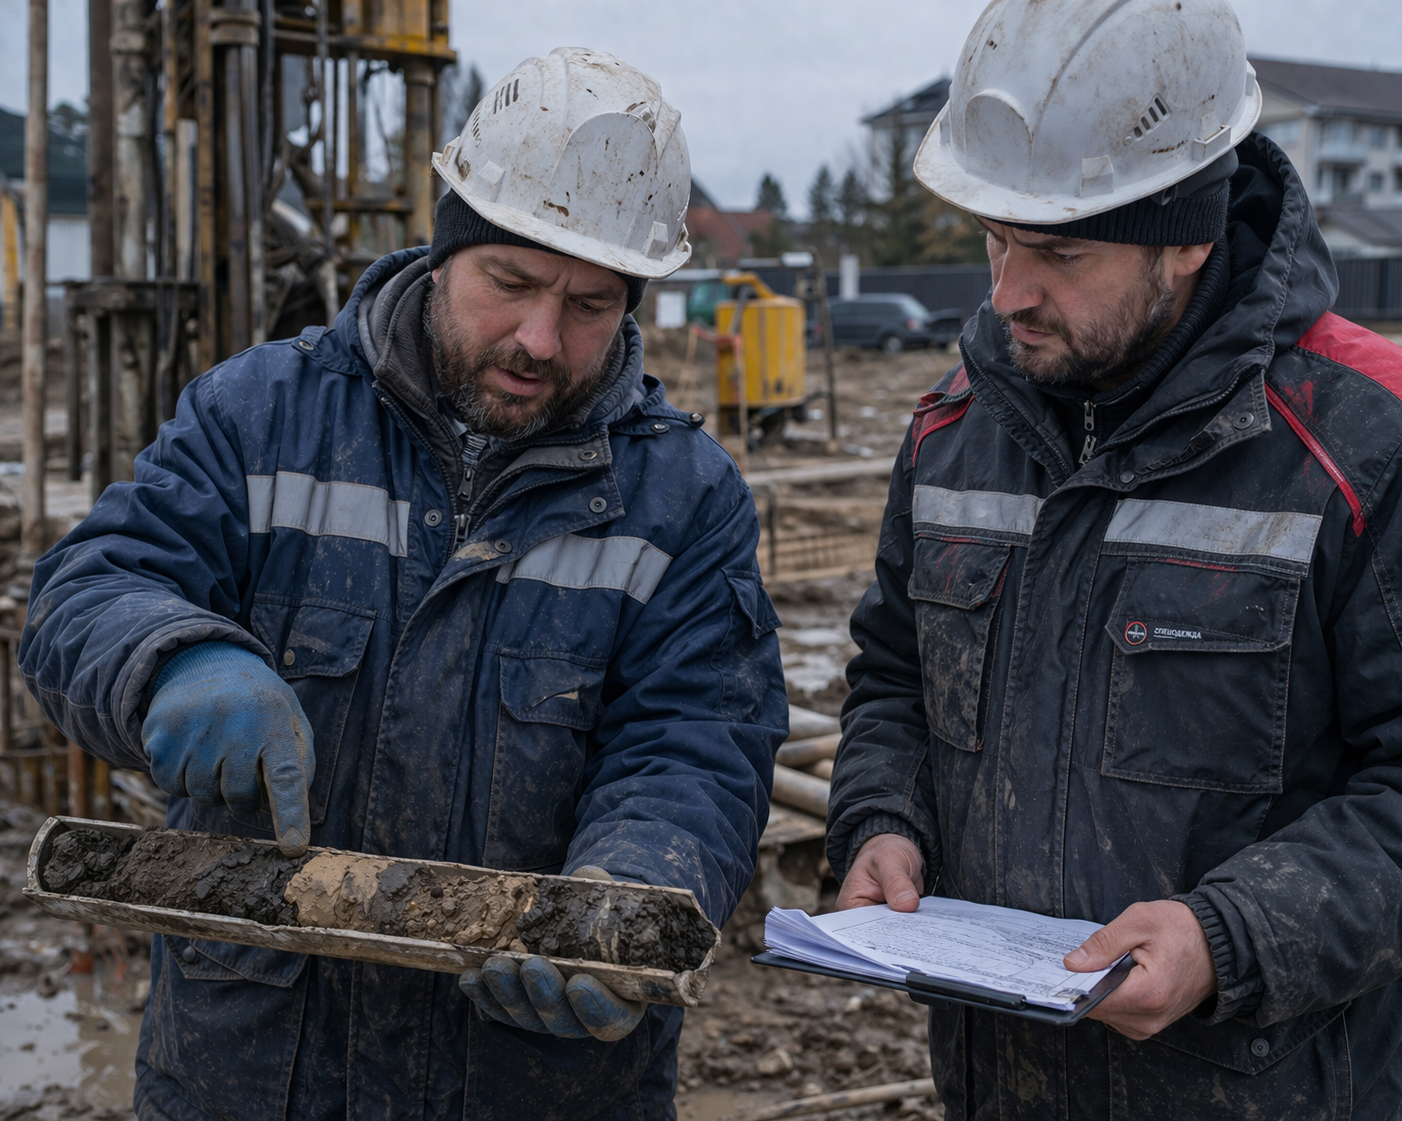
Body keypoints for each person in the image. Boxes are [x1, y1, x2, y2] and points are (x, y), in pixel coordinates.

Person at [20, 47, 787, 1121]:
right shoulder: (260, 416)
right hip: (254, 1073)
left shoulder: (683, 497)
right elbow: (89, 589)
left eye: (588, 304)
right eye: (509, 283)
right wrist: (172, 655)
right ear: (442, 253)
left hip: (531, 1083)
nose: (538, 338)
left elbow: (697, 739)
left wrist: (626, 892)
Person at [826, 1, 1402, 1117]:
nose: (1007, 292)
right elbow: (893, 679)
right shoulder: (954, 428)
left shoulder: (1363, 443)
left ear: (1187, 235)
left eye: (1059, 251)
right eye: (995, 237)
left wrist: (1229, 936)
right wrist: (883, 818)